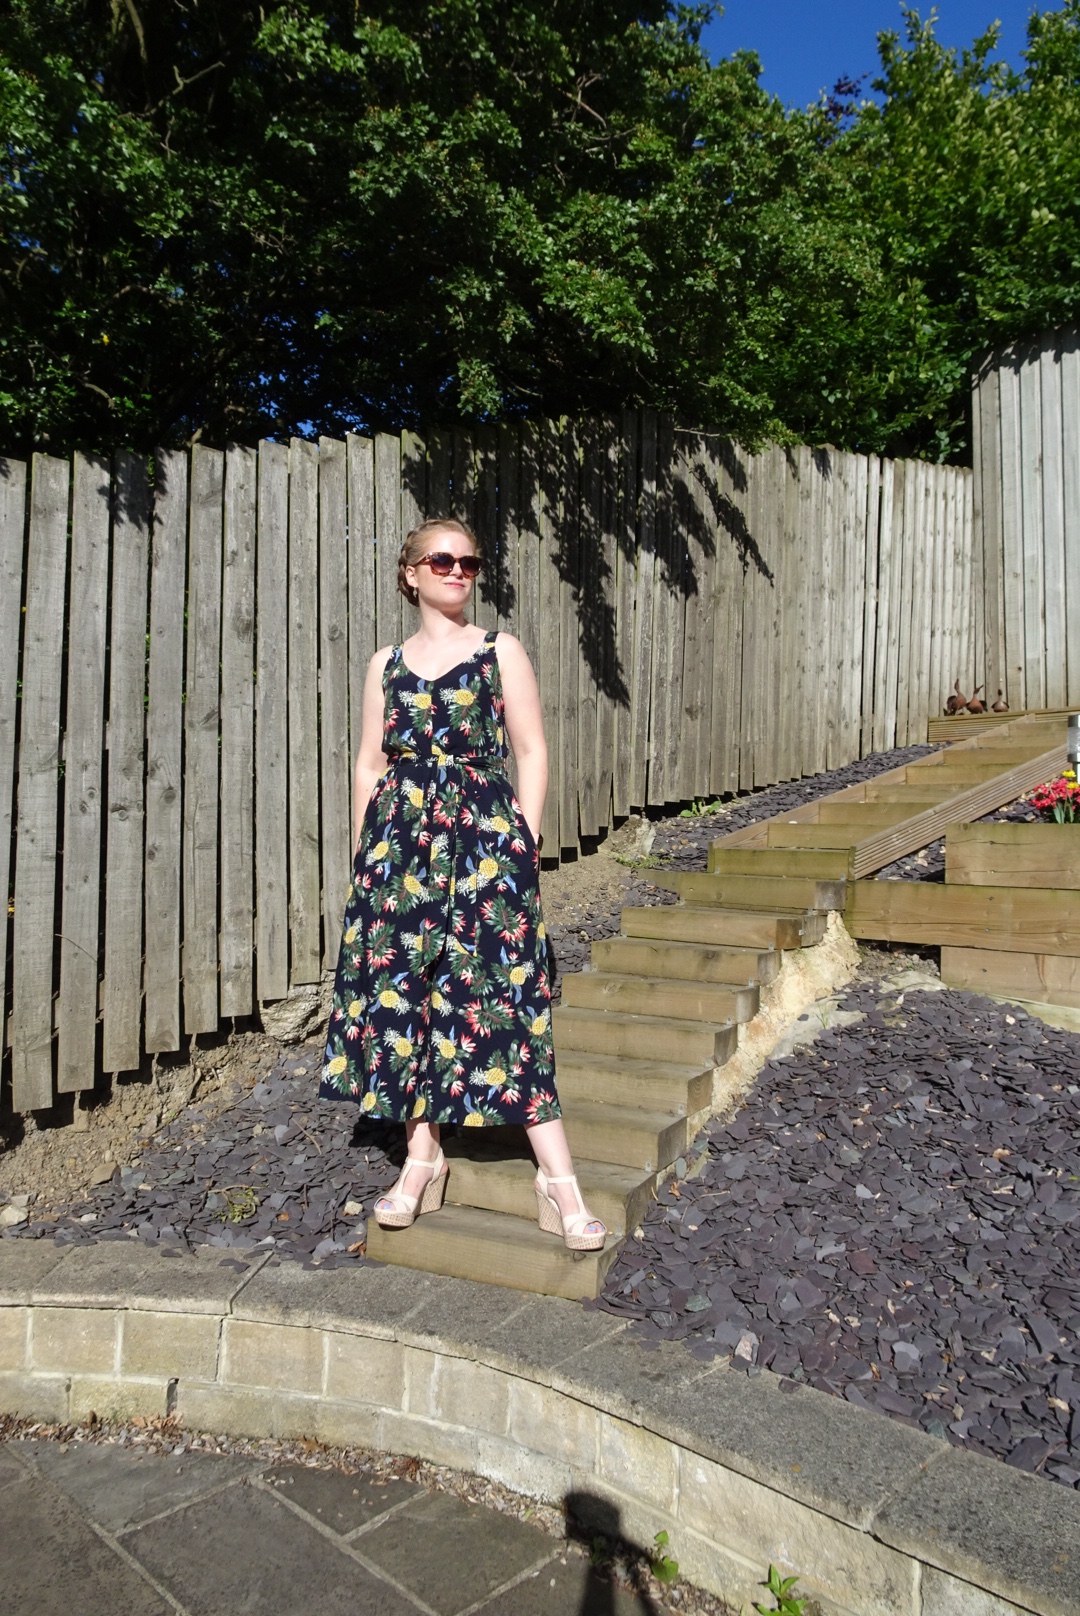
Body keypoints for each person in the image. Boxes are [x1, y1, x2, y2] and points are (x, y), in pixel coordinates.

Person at [319, 517, 606, 1251]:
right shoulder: (385, 664)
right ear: (410, 572)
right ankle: (422, 1158)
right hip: (398, 851)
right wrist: (366, 858)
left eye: (469, 563)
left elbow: (531, 751)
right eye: (442, 560)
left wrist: (524, 843)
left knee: (507, 996)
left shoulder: (498, 650)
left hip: (483, 842)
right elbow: (369, 763)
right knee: (409, 995)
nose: (457, 572)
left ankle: (559, 1180)